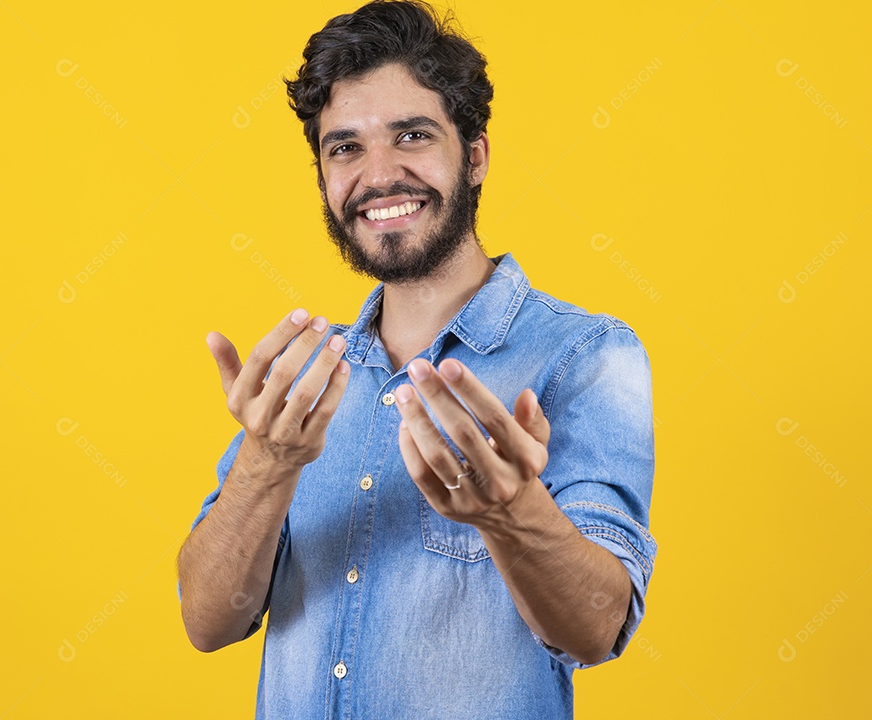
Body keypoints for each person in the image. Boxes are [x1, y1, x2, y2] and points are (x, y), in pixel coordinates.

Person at [176, 1, 657, 717]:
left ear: (475, 155)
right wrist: (265, 463)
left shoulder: (586, 355)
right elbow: (208, 622)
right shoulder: (302, 383)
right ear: (322, 178)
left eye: (412, 135)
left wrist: (511, 515)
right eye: (345, 148)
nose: (380, 175)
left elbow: (595, 627)